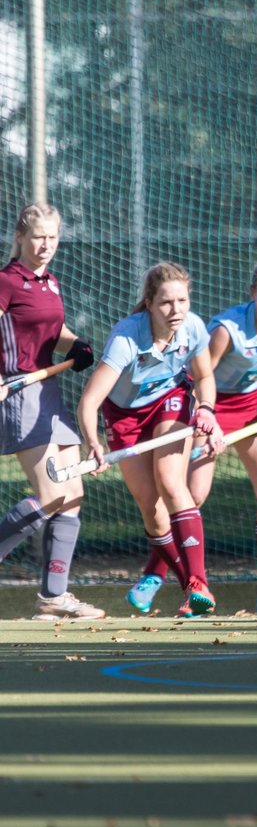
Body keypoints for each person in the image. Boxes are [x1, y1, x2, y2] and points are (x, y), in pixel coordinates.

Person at [123, 258, 257, 616]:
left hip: (253, 410)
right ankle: (155, 576)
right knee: (193, 495)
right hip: (210, 408)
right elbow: (197, 378)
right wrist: (209, 419)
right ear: (252, 294)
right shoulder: (227, 329)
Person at [77, 262, 225, 618]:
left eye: (182, 301)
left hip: (169, 400)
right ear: (149, 302)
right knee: (151, 509)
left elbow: (204, 376)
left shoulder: (192, 327)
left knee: (172, 481)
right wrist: (93, 442)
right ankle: (192, 588)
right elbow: (90, 401)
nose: (176, 311)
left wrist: (206, 409)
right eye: (166, 303)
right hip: (123, 415)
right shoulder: (127, 337)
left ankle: (198, 583)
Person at [0, 202, 103, 620]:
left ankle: (53, 598)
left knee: (72, 494)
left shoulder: (50, 283)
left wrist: (75, 345)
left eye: (53, 238)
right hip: (19, 392)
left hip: (50, 391)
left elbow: (50, 331)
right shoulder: (6, 281)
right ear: (21, 237)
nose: (46, 245)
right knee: (50, 493)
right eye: (38, 237)